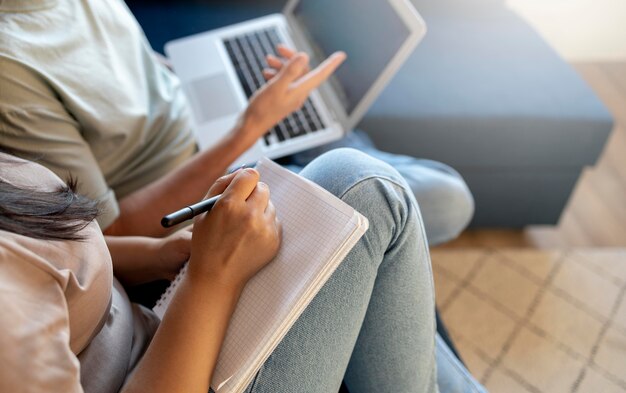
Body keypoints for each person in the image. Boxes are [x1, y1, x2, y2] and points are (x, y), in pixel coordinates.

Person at [0, 150, 485, 392]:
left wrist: (153, 253)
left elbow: (48, 252)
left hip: (160, 328)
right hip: (172, 368)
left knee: (346, 226)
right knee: (364, 188)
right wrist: (213, 277)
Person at [0, 0, 473, 246]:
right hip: (202, 199)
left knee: (429, 193)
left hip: (216, 131)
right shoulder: (11, 67)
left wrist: (228, 77)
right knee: (445, 200)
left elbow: (130, 70)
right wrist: (247, 128)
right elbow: (111, 237)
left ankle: (305, 132)